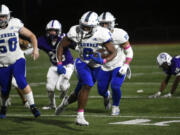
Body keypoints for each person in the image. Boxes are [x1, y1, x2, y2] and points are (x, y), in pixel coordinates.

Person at [55, 11, 117, 126]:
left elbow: (113, 52)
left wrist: (104, 60)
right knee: (88, 84)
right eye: (83, 26)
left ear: (95, 26)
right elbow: (61, 45)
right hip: (82, 62)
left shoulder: (103, 33)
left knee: (79, 91)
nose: (84, 29)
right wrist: (59, 63)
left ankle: (64, 103)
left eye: (88, 27)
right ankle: (80, 116)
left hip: (97, 66)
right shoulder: (75, 31)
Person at [0, 4, 40, 118]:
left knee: (21, 81)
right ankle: (3, 107)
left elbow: (32, 35)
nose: (1, 19)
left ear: (8, 16)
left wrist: (35, 49)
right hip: (2, 63)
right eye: (0, 16)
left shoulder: (15, 23)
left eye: (3, 16)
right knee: (5, 89)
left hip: (18, 58)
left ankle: (33, 106)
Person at [97, 12, 133, 115]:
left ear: (112, 23)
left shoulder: (119, 34)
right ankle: (106, 95)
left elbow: (129, 51)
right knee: (101, 90)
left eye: (106, 23)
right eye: (102, 23)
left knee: (115, 86)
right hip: (104, 66)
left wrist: (126, 65)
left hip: (118, 64)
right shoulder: (96, 35)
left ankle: (115, 107)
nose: (104, 26)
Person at [37, 20, 74, 110]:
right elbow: (34, 46)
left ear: (59, 31)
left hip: (67, 65)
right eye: (50, 30)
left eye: (54, 30)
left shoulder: (64, 38)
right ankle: (52, 105)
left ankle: (65, 89)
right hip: (54, 66)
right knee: (49, 87)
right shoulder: (43, 40)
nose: (52, 32)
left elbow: (75, 45)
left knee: (62, 86)